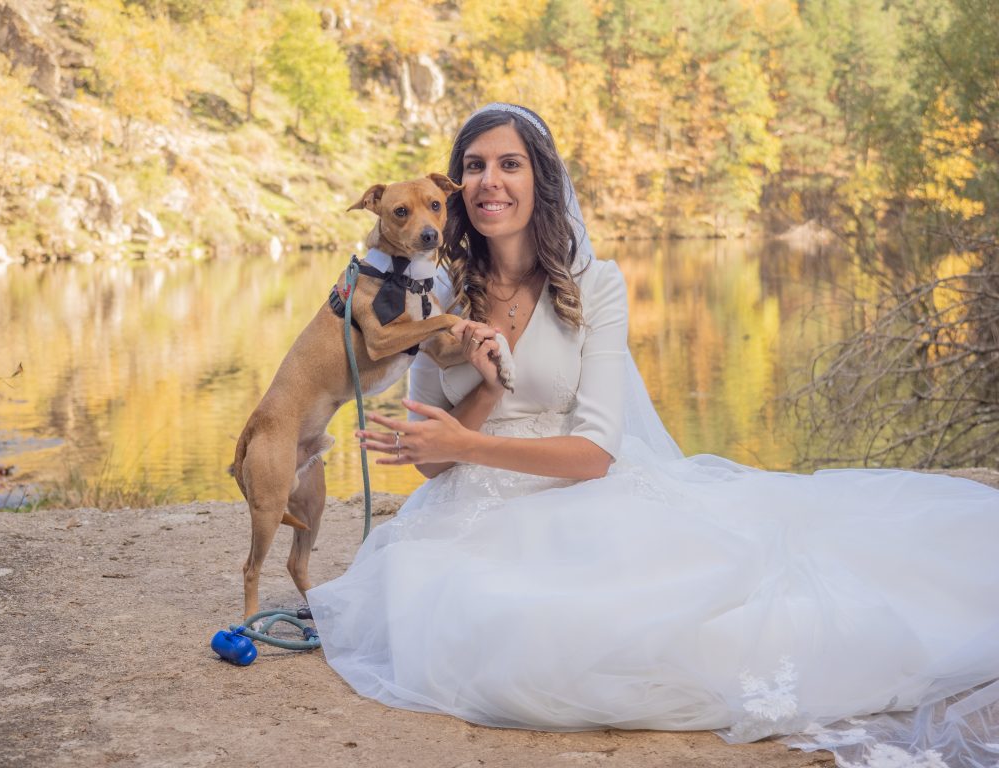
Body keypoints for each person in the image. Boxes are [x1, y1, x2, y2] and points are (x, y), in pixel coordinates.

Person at [307, 103, 999, 766]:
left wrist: (469, 446)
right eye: (476, 165)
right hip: (470, 513)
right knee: (484, 630)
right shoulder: (434, 295)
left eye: (510, 164)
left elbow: (595, 455)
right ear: (456, 188)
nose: (491, 180)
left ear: (541, 179)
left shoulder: (596, 286)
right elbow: (434, 460)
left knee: (667, 628)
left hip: (580, 497)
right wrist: (487, 390)